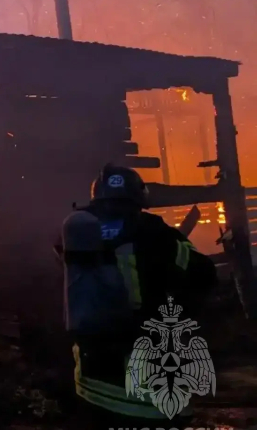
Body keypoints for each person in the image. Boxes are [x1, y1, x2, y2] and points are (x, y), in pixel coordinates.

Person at [62, 164, 217, 428]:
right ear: (139, 198)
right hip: (146, 396)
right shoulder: (155, 233)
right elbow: (203, 274)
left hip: (90, 385)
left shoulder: (79, 235)